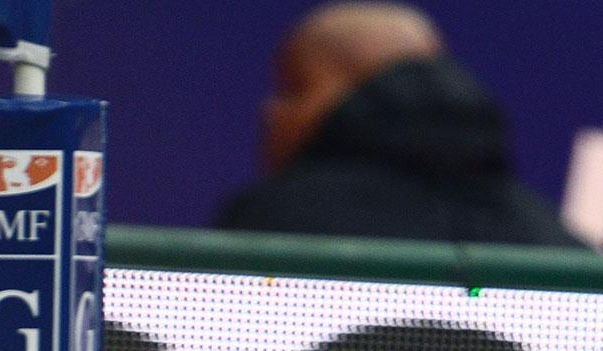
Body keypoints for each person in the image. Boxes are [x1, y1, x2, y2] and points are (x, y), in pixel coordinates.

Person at [215, 3, 581, 247]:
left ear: (348, 86)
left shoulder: (273, 221)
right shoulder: (552, 236)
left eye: (294, 87)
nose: (271, 112)